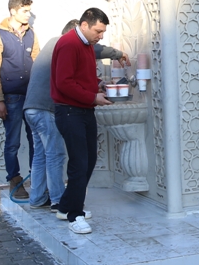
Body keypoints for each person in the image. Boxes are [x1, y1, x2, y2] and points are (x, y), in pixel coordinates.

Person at [24, 18, 128, 212]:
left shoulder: (53, 44)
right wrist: (119, 54)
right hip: (46, 108)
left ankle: (37, 198)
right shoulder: (65, 44)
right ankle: (58, 201)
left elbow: (77, 75)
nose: (92, 40)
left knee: (40, 155)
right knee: (55, 155)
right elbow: (95, 52)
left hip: (31, 108)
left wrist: (98, 83)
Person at [51, 8, 113, 234]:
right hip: (70, 111)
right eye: (98, 31)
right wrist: (92, 97)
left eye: (103, 32)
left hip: (84, 110)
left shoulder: (85, 44)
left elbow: (82, 76)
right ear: (84, 25)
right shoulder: (69, 44)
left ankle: (66, 206)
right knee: (79, 163)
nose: (101, 36)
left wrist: (99, 84)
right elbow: (64, 82)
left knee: (89, 160)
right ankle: (75, 215)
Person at [0, 0, 40, 199]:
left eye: (29, 11)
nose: (28, 15)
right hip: (11, 98)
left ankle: (38, 180)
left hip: (31, 96)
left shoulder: (31, 33)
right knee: (12, 143)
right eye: (25, 11)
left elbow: (38, 62)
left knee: (36, 139)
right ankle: (15, 182)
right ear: (13, 11)